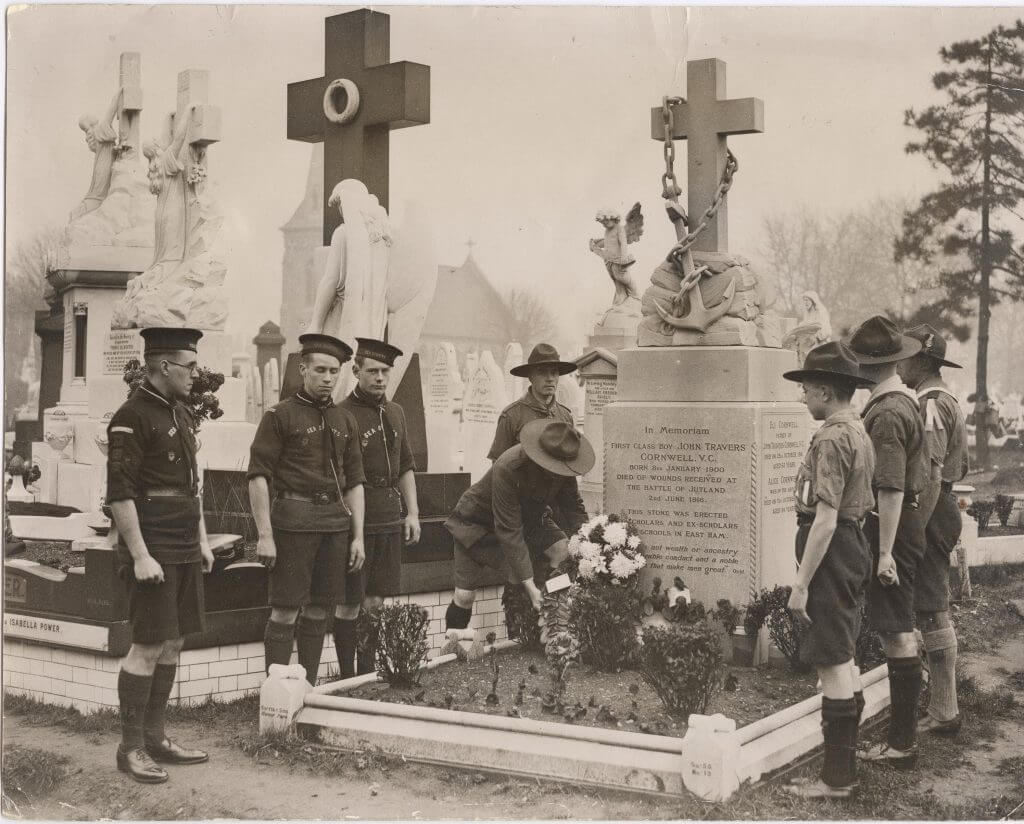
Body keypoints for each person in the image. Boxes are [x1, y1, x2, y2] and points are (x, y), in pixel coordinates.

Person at [106, 327, 215, 784]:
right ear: (163, 365)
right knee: (148, 644)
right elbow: (120, 494)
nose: (196, 373)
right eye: (189, 366)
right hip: (153, 546)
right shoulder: (131, 416)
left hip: (184, 542)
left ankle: (155, 738)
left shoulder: (183, 413)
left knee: (174, 641)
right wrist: (140, 555)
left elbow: (192, 486)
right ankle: (130, 748)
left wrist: (203, 540)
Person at [780, 341, 876, 799]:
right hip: (850, 547)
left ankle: (837, 779)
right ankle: (845, 766)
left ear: (823, 391)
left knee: (833, 659)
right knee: (844, 655)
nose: (803, 398)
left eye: (806, 390)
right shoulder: (856, 430)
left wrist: (801, 585)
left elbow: (825, 517)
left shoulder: (833, 437)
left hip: (834, 551)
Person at [247, 333, 366, 686]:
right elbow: (258, 477)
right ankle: (276, 695)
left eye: (334, 371)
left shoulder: (345, 420)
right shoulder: (279, 416)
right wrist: (265, 535)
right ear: (303, 370)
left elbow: (355, 482)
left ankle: (307, 691)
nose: (328, 378)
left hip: (334, 526)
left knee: (319, 611)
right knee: (285, 610)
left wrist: (357, 536)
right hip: (293, 525)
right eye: (320, 370)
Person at [847, 316, 929, 769]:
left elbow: (891, 489)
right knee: (896, 628)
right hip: (899, 526)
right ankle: (904, 738)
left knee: (897, 632)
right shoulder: (899, 401)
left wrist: (883, 554)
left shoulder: (889, 413)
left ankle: (902, 743)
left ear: (872, 367)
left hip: (890, 528)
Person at [444, 420, 592, 629]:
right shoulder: (508, 466)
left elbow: (573, 509)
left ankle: (550, 616)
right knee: (465, 595)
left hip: (529, 520)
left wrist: (590, 544)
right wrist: (531, 587)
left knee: (562, 550)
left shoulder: (563, 464)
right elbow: (510, 531)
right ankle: (453, 640)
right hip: (478, 524)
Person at [334, 338, 420, 677]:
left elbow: (406, 467)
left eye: (385, 371)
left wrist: (411, 513)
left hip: (388, 518)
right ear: (356, 371)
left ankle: (367, 673)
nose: (380, 378)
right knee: (349, 602)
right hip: (357, 520)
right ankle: (345, 675)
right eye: (372, 371)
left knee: (375, 601)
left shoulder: (396, 412)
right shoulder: (342, 413)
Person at [898, 324, 969, 736]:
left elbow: (932, 473)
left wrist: (913, 532)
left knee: (931, 607)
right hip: (937, 508)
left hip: (931, 510)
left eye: (904, 356)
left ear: (922, 361)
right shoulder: (941, 399)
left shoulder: (931, 404)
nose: (898, 364)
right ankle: (944, 704)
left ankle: (945, 710)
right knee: (930, 606)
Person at [487, 343, 578, 463]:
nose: (550, 378)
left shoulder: (565, 416)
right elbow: (498, 467)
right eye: (542, 372)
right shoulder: (511, 416)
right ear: (530, 377)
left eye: (554, 373)